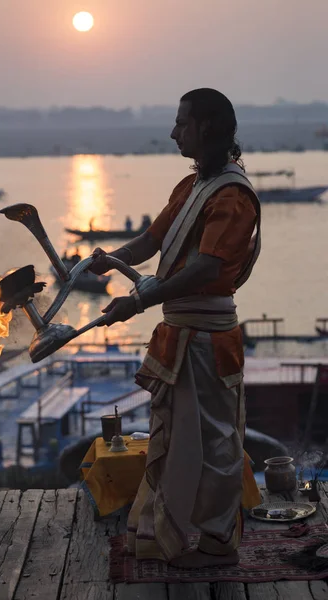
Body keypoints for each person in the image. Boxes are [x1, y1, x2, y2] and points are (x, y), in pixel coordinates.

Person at [89, 88, 261, 568]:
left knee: (214, 447)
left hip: (207, 343)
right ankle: (175, 534)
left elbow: (206, 268)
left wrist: (140, 298)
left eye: (181, 123)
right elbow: (152, 238)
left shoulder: (231, 194)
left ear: (206, 128)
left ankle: (217, 544)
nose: (172, 132)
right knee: (180, 441)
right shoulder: (192, 187)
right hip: (180, 337)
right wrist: (110, 260)